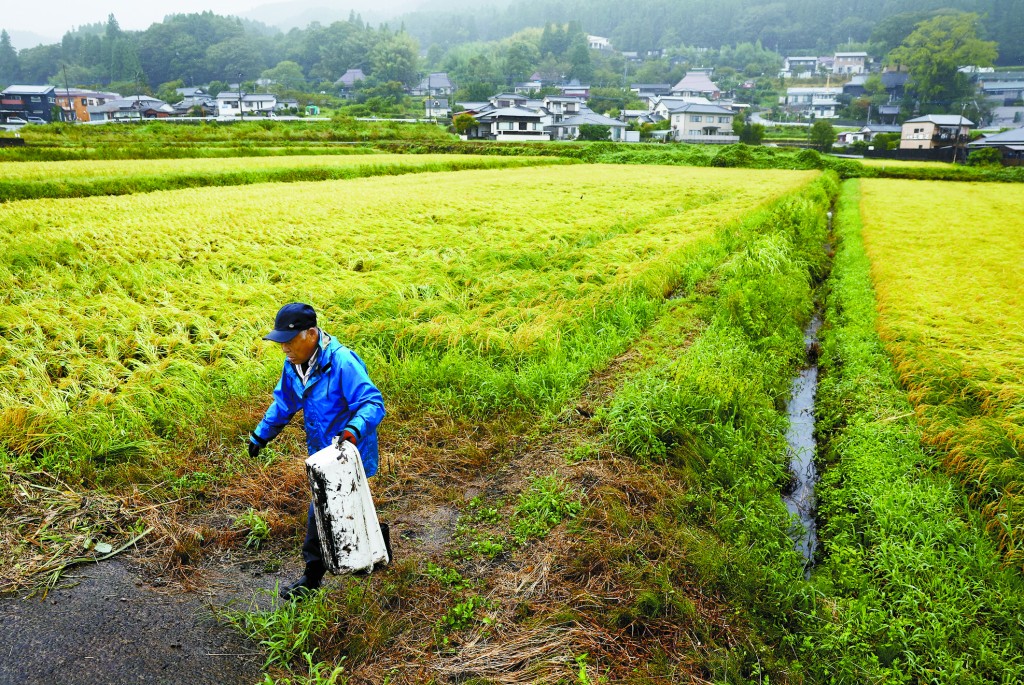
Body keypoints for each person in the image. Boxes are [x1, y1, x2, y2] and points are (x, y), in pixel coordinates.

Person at [247, 302, 388, 599]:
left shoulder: (341, 363)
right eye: (280, 341)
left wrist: (350, 433)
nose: (283, 347)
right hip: (322, 454)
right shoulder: (295, 365)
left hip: (348, 451)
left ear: (311, 334)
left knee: (321, 510)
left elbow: (372, 403)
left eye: (289, 339)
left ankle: (311, 578)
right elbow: (284, 404)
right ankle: (379, 549)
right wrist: (261, 435)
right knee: (354, 503)